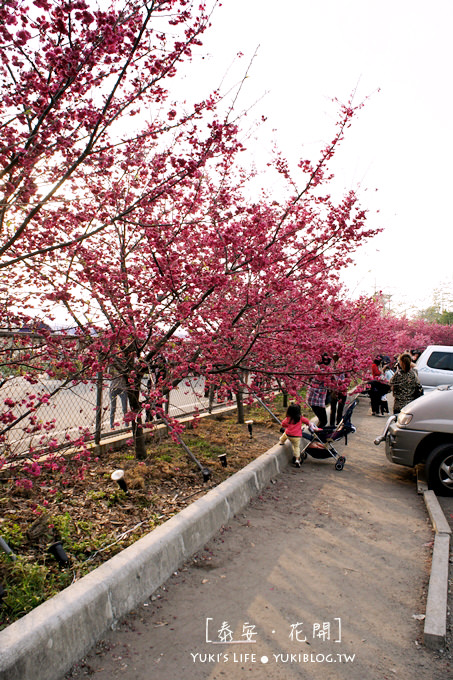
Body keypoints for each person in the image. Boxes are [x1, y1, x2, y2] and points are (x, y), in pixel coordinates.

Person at [279, 403, 311, 467]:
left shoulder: (288, 418)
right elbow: (307, 421)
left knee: (284, 435)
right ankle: (297, 459)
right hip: (297, 436)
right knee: (296, 447)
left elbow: (283, 424)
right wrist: (309, 424)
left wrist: (286, 426)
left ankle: (281, 441)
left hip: (289, 434)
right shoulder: (300, 418)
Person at [307, 354, 331, 428]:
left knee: (322, 420)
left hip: (313, 399)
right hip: (317, 400)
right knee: (324, 421)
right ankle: (316, 435)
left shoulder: (316, 367)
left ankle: (316, 434)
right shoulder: (324, 371)